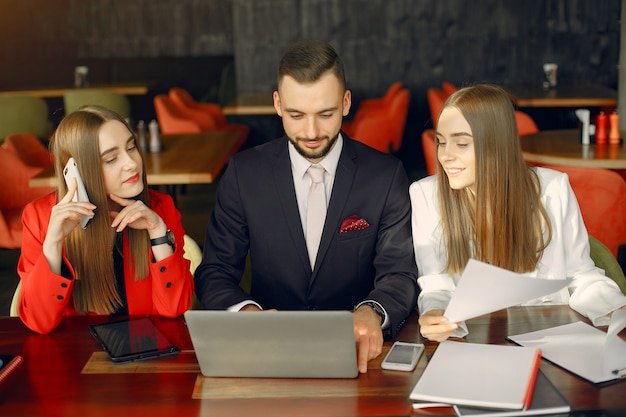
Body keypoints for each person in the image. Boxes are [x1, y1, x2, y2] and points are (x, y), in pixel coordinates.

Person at [194, 40, 418, 373]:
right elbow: (215, 272)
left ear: (345, 103)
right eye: (296, 115)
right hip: (267, 354)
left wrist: (373, 310)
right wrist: (245, 313)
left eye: (325, 114)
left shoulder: (386, 176)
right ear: (278, 104)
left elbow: (399, 272)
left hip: (360, 355)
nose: (311, 132)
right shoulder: (243, 174)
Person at [410, 84, 626, 342]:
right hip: (473, 342)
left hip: (549, 336)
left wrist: (615, 306)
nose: (445, 156)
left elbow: (581, 275)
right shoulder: (425, 195)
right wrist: (436, 312)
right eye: (441, 142)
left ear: (497, 144)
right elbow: (436, 283)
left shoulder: (553, 189)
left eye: (461, 143)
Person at [18, 105, 194, 334]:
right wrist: (53, 245)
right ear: (77, 171)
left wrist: (157, 231)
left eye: (131, 147)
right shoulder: (41, 219)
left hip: (148, 349)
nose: (132, 163)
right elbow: (39, 322)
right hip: (80, 357)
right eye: (111, 159)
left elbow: (175, 308)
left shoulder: (160, 208)